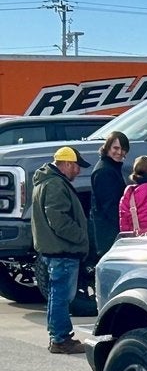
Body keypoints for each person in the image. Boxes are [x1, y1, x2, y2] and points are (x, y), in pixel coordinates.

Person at [30, 146, 91, 354]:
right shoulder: (56, 184)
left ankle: (57, 336)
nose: (78, 171)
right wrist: (82, 237)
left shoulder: (46, 181)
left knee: (57, 296)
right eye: (76, 166)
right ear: (66, 164)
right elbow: (58, 219)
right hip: (62, 251)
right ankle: (60, 339)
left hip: (53, 251)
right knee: (61, 297)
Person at [90, 131, 129, 257]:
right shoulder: (104, 171)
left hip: (109, 233)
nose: (119, 152)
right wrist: (124, 229)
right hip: (109, 235)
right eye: (116, 148)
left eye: (123, 149)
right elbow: (110, 206)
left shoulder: (109, 167)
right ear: (107, 147)